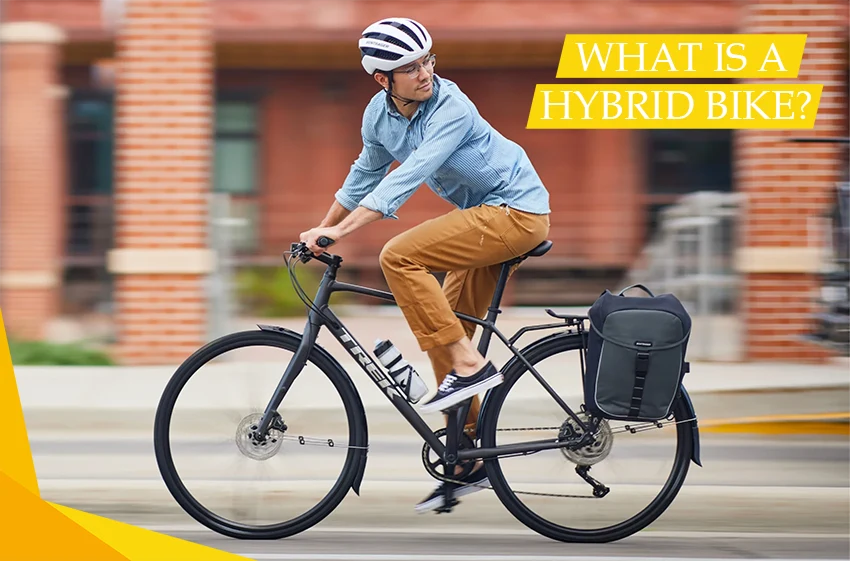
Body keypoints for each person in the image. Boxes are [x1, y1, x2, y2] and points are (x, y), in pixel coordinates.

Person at [300, 17, 551, 513]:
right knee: (447, 332)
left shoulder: (451, 106)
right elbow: (363, 175)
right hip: (483, 218)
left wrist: (345, 233)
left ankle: (470, 363)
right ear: (382, 79)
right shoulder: (379, 115)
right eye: (409, 67)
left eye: (427, 60)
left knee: (400, 256)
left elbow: (410, 176)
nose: (424, 72)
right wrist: (319, 229)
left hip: (516, 213)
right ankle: (467, 459)